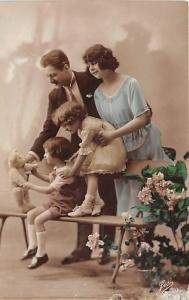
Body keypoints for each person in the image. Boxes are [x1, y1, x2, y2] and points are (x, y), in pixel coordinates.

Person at [26, 49, 117, 264]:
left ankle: (105, 249)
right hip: (80, 150)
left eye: (53, 75)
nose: (51, 80)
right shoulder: (56, 95)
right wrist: (33, 154)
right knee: (81, 196)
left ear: (66, 67)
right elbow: (49, 128)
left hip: (104, 143)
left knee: (106, 195)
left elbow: (112, 108)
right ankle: (83, 250)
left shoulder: (91, 79)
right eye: (48, 76)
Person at [83, 44, 172, 214]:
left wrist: (112, 134)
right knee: (126, 196)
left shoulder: (130, 83)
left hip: (145, 142)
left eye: (94, 62)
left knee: (148, 194)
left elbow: (143, 118)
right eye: (88, 64)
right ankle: (129, 240)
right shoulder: (98, 94)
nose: (91, 68)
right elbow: (107, 125)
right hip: (120, 147)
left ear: (105, 61)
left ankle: (145, 238)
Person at [53, 102, 127, 217]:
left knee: (89, 170)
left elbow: (84, 152)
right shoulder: (81, 127)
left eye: (67, 125)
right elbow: (86, 148)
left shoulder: (88, 126)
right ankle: (97, 201)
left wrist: (72, 171)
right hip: (100, 148)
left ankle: (87, 204)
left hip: (111, 150)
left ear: (74, 119)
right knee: (83, 166)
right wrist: (74, 160)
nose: (66, 129)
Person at [22, 137, 85, 269]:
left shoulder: (65, 172)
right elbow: (52, 182)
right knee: (31, 214)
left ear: (56, 154)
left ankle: (41, 254)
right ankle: (33, 247)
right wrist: (36, 174)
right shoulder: (58, 169)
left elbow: (49, 189)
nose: (44, 155)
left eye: (46, 152)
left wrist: (30, 185)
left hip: (64, 205)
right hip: (54, 203)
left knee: (39, 220)